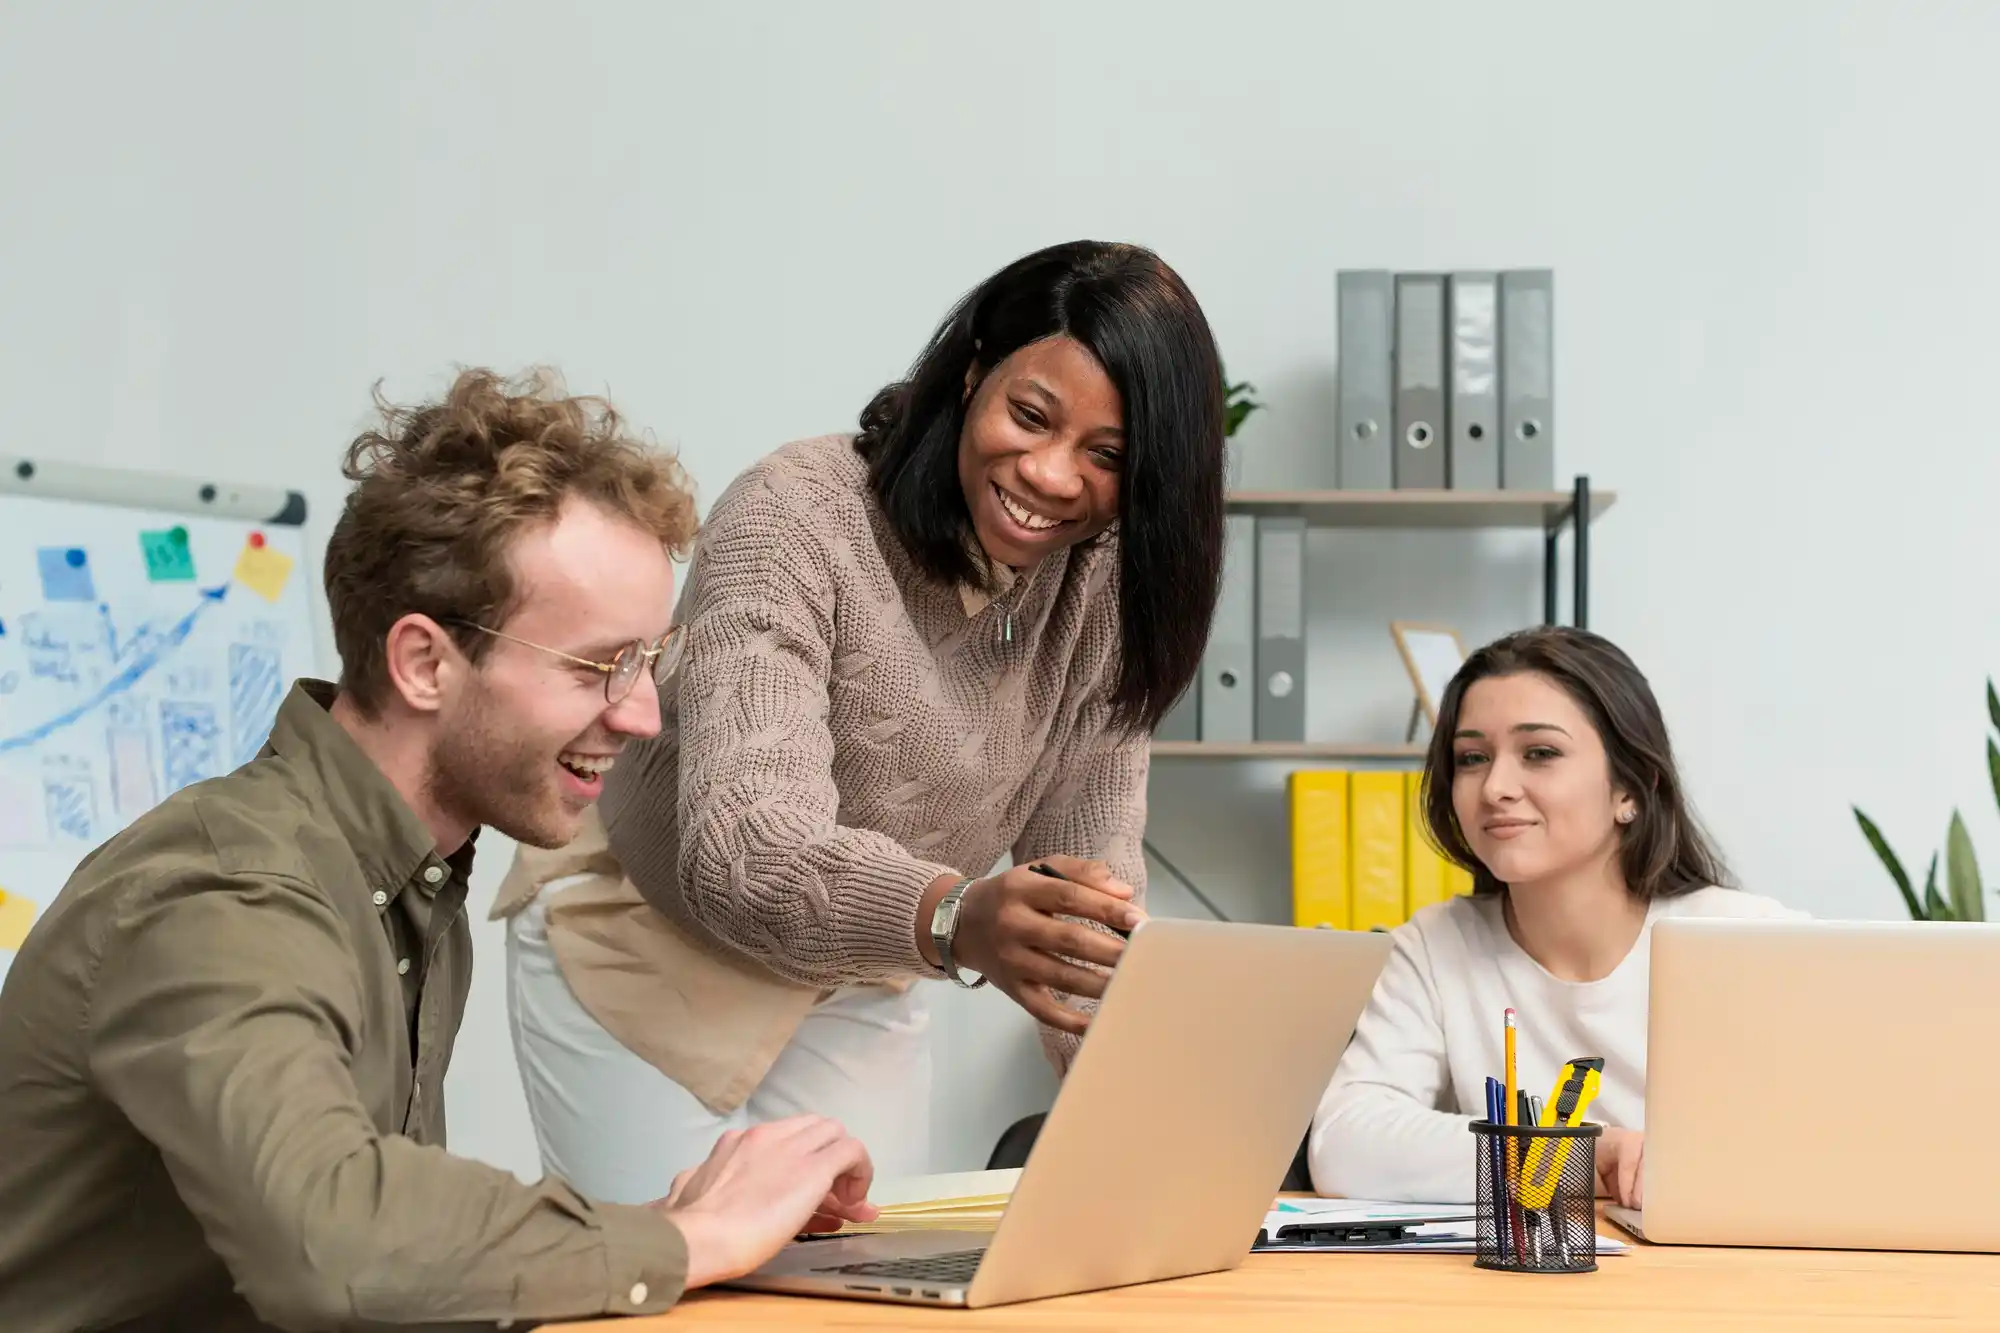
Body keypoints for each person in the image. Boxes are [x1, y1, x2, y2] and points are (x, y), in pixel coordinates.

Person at [0, 368, 881, 1333]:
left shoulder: (410, 882)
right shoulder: (226, 892)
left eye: (650, 660)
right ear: (424, 662)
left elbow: (382, 1237)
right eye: (601, 666)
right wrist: (693, 1240)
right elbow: (330, 1244)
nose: (643, 713)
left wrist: (670, 1224)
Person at [495, 239, 1228, 1201]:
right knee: (666, 1282)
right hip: (649, 949)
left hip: (866, 966)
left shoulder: (1104, 591)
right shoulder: (797, 515)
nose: (1052, 475)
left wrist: (1137, 1103)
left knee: (868, 1284)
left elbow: (1090, 885)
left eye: (1108, 457)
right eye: (1030, 415)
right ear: (972, 375)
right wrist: (960, 917)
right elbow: (745, 847)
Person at [1307, 626, 1804, 1208]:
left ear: (1632, 790)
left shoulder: (1749, 940)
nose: (1495, 787)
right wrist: (1585, 1156)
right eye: (1472, 758)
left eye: (1539, 753)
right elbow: (1345, 1144)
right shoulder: (1434, 946)